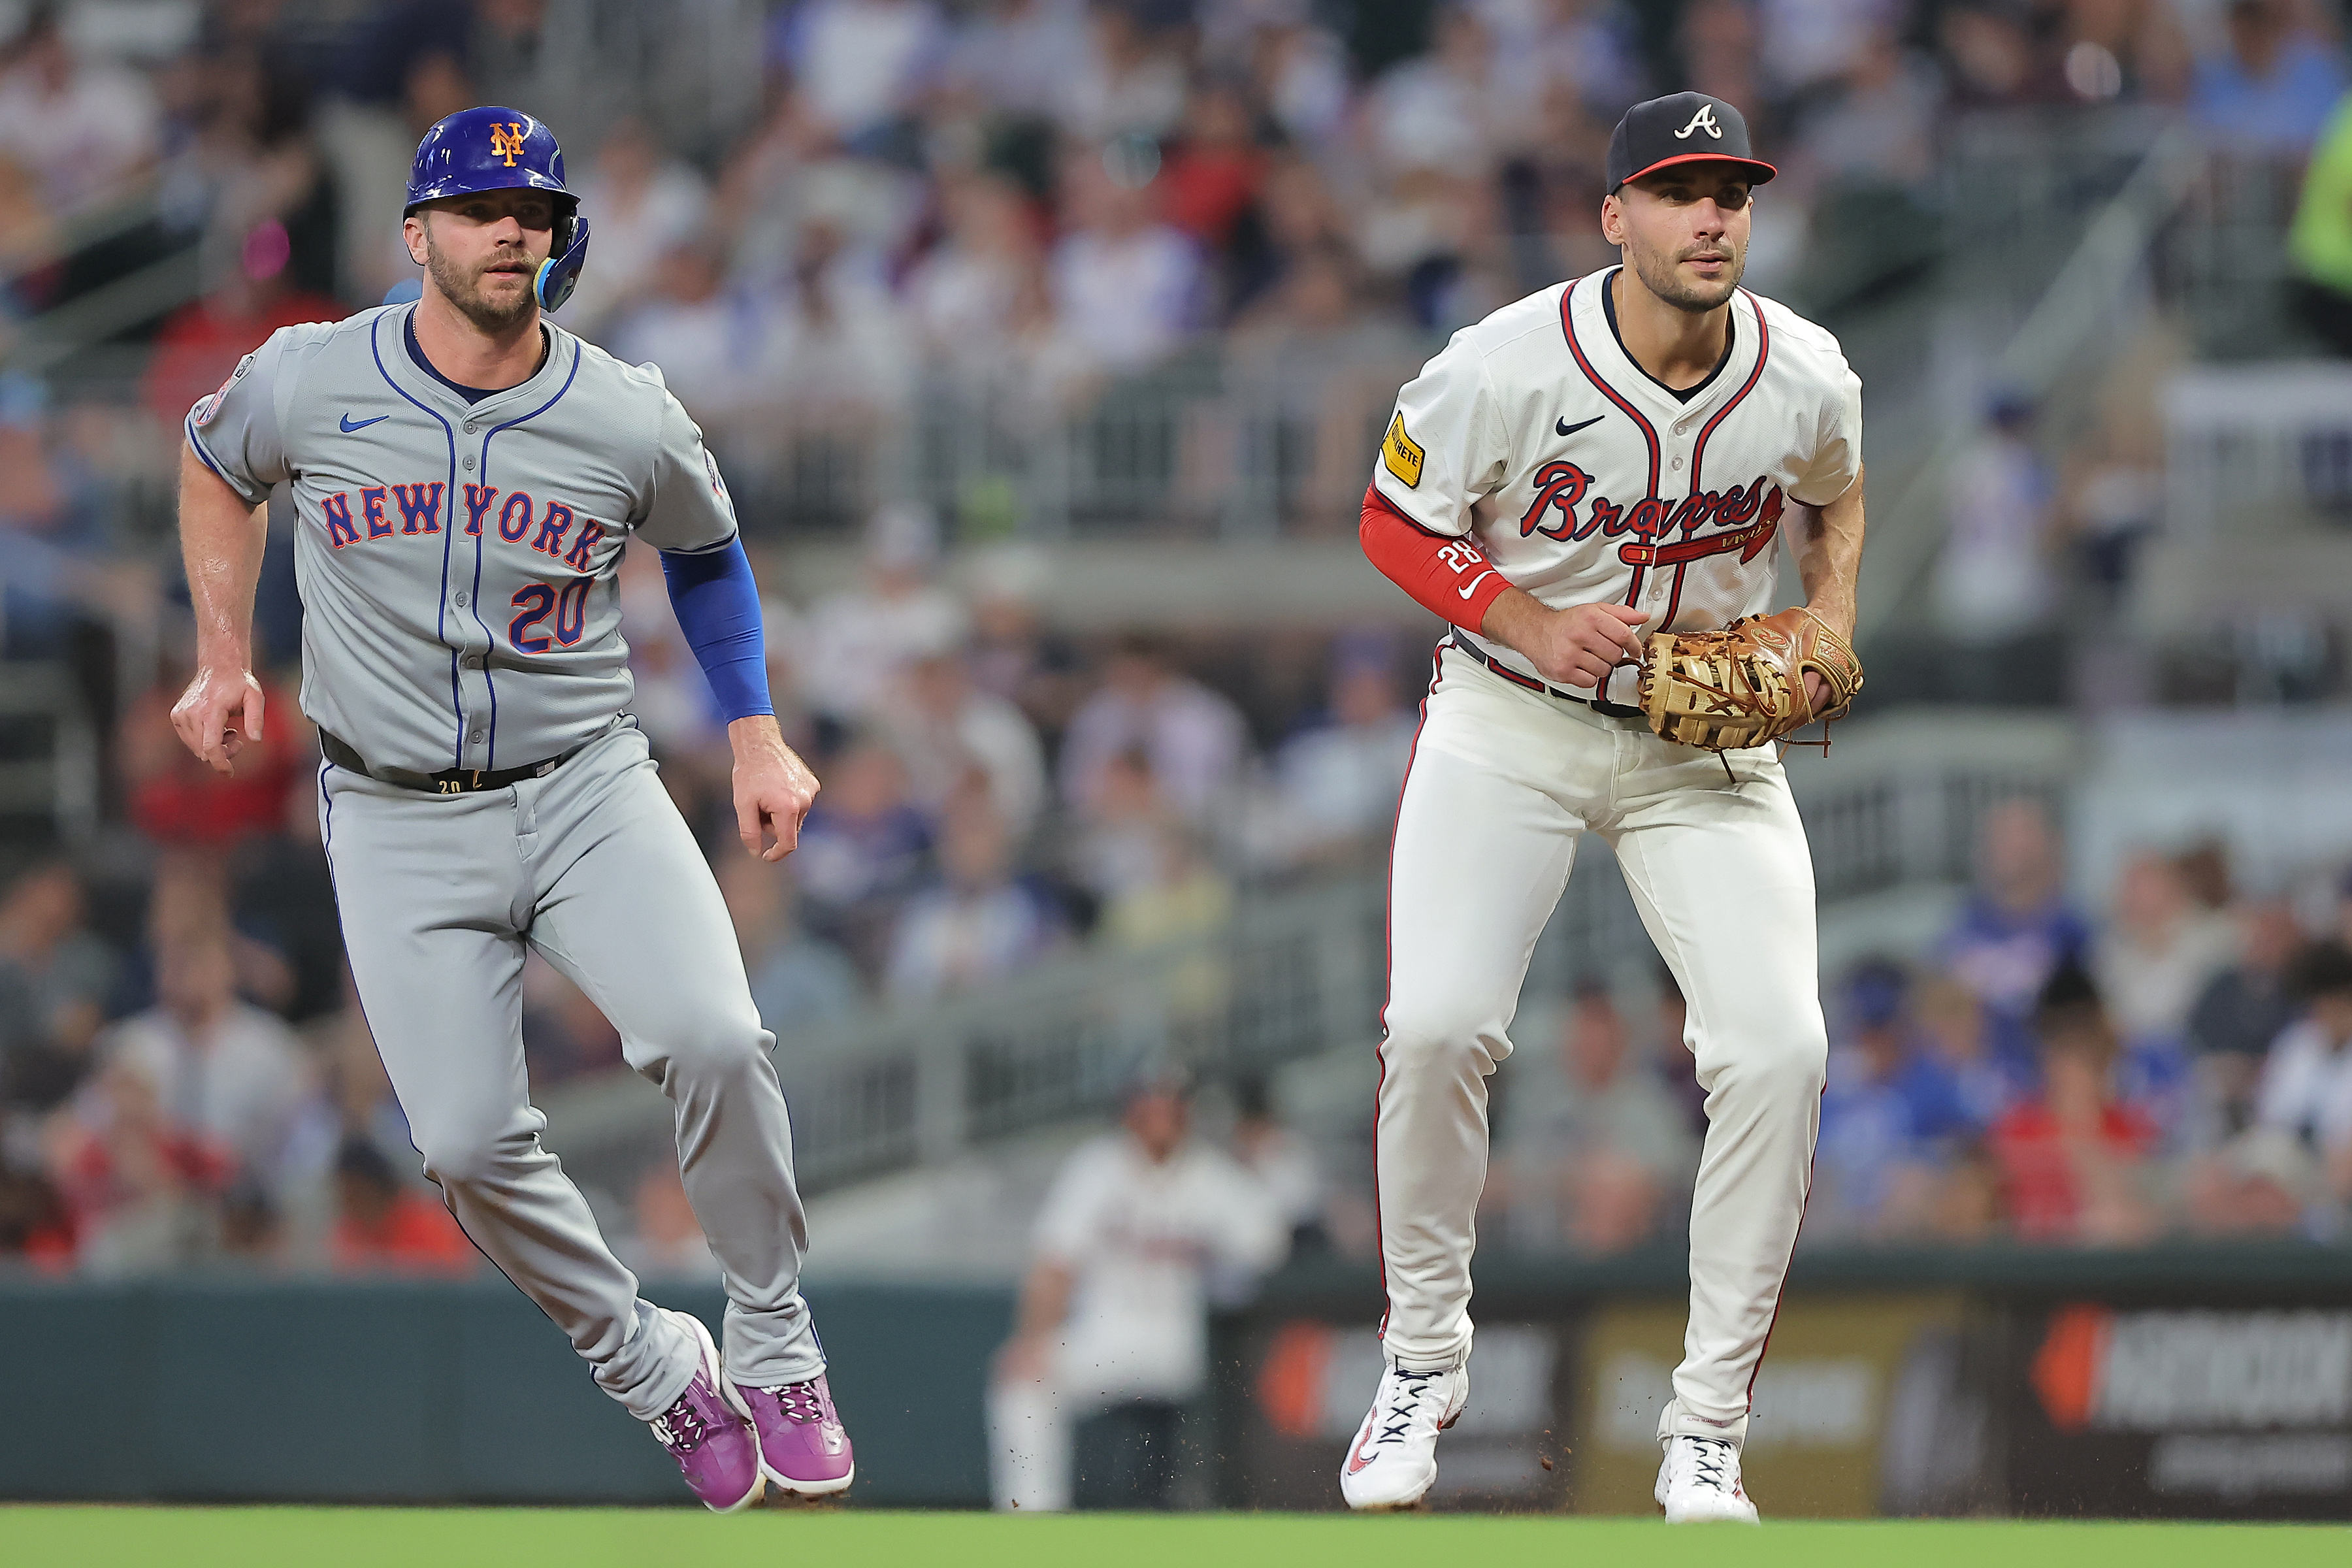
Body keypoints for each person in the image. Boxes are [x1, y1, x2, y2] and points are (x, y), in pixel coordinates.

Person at [169, 108, 850, 1512]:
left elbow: (710, 561)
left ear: (558, 236)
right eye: (478, 209)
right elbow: (211, 458)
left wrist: (757, 735)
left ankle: (776, 1341)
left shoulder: (621, 406)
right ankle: (657, 1369)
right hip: (398, 810)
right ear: (415, 233)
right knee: (465, 1146)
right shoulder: (313, 377)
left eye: (531, 211)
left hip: (589, 780)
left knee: (718, 1034)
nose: (508, 232)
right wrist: (225, 653)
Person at [1343, 93, 1866, 1523]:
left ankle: (1706, 1431)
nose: (1712, 217)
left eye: (1733, 192)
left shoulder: (1805, 369)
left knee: (1776, 1053)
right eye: (1681, 190)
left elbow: (1838, 493)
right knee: (1440, 1025)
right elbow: (1394, 517)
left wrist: (1828, 617)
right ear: (1615, 215)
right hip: (1510, 721)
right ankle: (1423, 1355)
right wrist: (1517, 612)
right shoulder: (1504, 362)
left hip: (1706, 745)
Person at [988, 1074, 1286, 1511]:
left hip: (1189, 1346)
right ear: (1130, 1110)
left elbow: (1271, 1253)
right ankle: (1033, 1523)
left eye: (1171, 1104)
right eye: (1151, 1104)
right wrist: (1032, 1339)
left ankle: (1236, 1510)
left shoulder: (1212, 1175)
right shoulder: (1098, 1167)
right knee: (1022, 1382)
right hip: (1108, 1335)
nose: (1161, 1115)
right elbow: (1053, 1264)